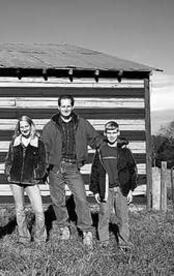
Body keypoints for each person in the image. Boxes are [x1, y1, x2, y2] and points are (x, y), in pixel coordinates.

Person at [42, 95, 103, 248]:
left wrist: (109, 146)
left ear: (73, 107)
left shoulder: (82, 123)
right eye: (63, 106)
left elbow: (95, 139)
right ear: (58, 108)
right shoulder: (51, 125)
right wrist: (44, 171)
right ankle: (64, 227)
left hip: (73, 167)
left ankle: (87, 231)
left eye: (69, 106)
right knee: (58, 200)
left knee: (81, 199)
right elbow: (43, 149)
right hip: (55, 168)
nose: (66, 109)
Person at [89, 121, 137, 250]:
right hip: (106, 189)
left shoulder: (125, 152)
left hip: (121, 189)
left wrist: (131, 190)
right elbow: (94, 172)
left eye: (114, 132)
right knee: (104, 215)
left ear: (118, 133)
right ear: (105, 134)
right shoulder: (100, 151)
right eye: (109, 132)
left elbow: (132, 170)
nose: (111, 135)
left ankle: (124, 242)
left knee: (123, 217)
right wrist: (96, 191)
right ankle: (103, 242)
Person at [4, 115, 47, 244]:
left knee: (39, 210)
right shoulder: (15, 142)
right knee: (20, 210)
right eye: (21, 127)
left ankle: (40, 239)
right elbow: (8, 160)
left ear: (31, 126)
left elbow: (43, 162)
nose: (24, 129)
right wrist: (8, 173)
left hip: (31, 181)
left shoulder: (38, 143)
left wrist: (36, 174)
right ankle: (24, 238)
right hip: (16, 180)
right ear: (19, 129)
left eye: (26, 126)